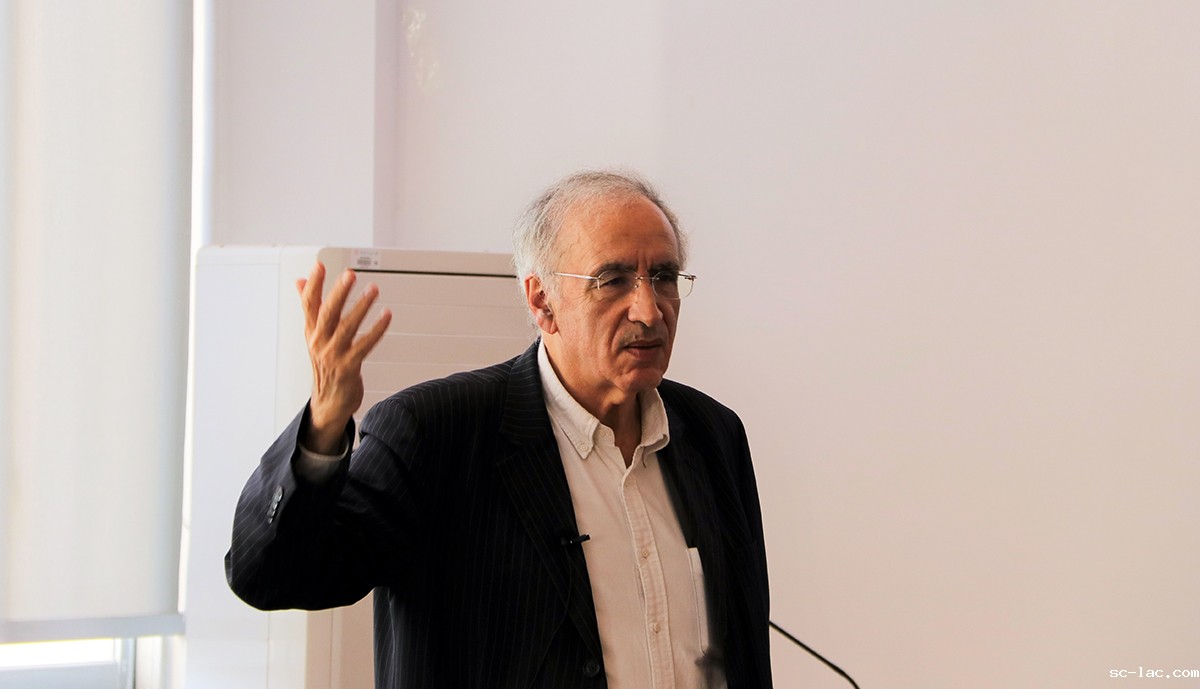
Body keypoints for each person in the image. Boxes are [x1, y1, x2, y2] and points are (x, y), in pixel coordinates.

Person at [226, 171, 773, 688]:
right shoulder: (437, 433)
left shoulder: (713, 434)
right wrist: (324, 426)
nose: (649, 311)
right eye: (612, 281)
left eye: (664, 277)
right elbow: (271, 576)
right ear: (542, 301)